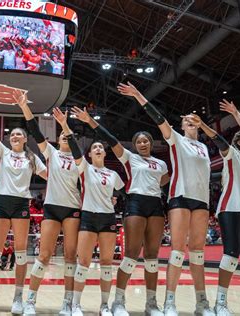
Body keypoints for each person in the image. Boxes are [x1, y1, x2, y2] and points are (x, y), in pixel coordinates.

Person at [118, 82, 215, 316]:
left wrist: (205, 126)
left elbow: (221, 143)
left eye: (194, 122)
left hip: (202, 200)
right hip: (180, 198)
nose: (190, 124)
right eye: (186, 122)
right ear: (181, 127)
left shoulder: (204, 146)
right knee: (177, 251)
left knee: (198, 252)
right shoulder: (177, 141)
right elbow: (159, 117)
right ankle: (169, 302)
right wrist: (139, 96)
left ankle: (202, 303)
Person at [69, 107, 170, 316]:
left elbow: (165, 181)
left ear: (151, 143)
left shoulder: (161, 163)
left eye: (146, 141)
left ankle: (151, 304)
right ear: (134, 145)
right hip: (135, 204)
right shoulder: (130, 158)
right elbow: (111, 138)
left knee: (152, 256)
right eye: (139, 141)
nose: (143, 144)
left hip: (156, 205)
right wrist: (89, 121)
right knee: (131, 254)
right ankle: (118, 302)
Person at [0, 86, 47, 314]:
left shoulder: (33, 158)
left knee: (21, 253)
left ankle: (18, 299)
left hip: (22, 204)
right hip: (2, 203)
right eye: (12, 134)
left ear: (25, 139)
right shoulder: (2, 151)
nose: (14, 136)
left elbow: (53, 177)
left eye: (19, 134)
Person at [14, 91, 81, 316]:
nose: (64, 136)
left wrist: (66, 125)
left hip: (73, 209)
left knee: (71, 256)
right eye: (61, 135)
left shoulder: (80, 160)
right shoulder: (50, 152)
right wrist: (24, 106)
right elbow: (35, 131)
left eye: (68, 135)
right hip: (52, 208)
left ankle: (68, 303)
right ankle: (30, 301)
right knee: (44, 255)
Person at [53, 108, 124, 316]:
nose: (99, 149)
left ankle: (104, 305)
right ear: (90, 154)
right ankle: (75, 304)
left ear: (105, 152)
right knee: (83, 262)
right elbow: (73, 145)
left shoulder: (113, 174)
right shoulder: (84, 168)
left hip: (108, 218)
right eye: (95, 147)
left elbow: (123, 193)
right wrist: (65, 125)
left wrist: (115, 199)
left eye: (101, 147)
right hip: (89, 217)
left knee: (106, 263)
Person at [195, 101, 240, 316]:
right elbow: (217, 139)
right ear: (239, 142)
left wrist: (237, 113)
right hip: (232, 207)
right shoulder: (232, 154)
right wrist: (202, 125)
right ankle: (221, 303)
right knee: (231, 253)